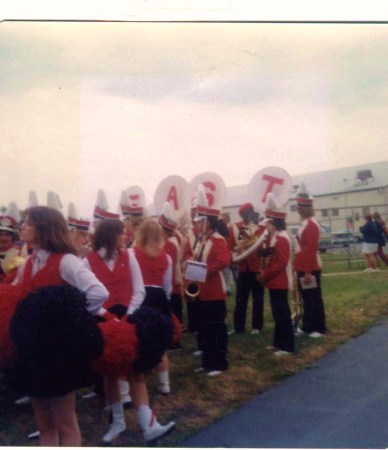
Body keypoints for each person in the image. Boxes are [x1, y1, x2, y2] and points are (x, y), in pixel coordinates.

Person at [11, 205, 109, 447]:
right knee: (44, 424)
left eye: (29, 223)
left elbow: (99, 293)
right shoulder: (28, 263)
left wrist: (68, 321)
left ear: (44, 228)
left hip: (57, 353)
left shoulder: (66, 262)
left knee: (65, 423)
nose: (23, 227)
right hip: (32, 352)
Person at [83, 218, 174, 445]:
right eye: (122, 233)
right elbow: (84, 295)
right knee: (110, 373)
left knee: (136, 370)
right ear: (110, 235)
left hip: (128, 316)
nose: (126, 236)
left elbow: (139, 290)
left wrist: (129, 314)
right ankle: (117, 422)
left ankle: (148, 424)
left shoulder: (129, 256)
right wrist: (106, 315)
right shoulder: (87, 262)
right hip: (103, 319)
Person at [191, 185, 230, 376]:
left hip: (214, 291)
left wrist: (204, 273)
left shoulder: (217, 239)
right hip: (202, 292)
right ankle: (207, 361)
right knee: (204, 329)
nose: (195, 225)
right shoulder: (201, 240)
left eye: (198, 221)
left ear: (207, 222)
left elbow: (224, 261)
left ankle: (219, 363)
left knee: (215, 328)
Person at [133, 218, 174, 393]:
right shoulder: (167, 257)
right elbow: (167, 285)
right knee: (161, 342)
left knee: (137, 340)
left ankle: (136, 380)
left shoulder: (131, 253)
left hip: (140, 297)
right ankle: (165, 385)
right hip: (159, 298)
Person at [257, 194, 295, 356]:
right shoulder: (276, 237)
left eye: (269, 224)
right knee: (277, 313)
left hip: (280, 281)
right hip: (274, 281)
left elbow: (281, 263)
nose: (267, 227)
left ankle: (287, 346)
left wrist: (265, 274)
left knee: (282, 314)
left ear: (274, 223)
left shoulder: (282, 239)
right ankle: (278, 343)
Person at [294, 181, 326, 338]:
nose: (297, 209)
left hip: (310, 266)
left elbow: (311, 249)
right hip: (304, 265)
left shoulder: (311, 225)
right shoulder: (306, 223)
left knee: (313, 298)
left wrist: (307, 271)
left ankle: (319, 328)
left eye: (299, 206)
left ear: (303, 208)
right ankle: (308, 326)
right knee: (307, 298)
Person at [228, 202, 267, 335]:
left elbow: (263, 246)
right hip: (243, 267)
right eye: (246, 212)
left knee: (258, 298)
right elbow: (230, 246)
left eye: (250, 211)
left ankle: (257, 326)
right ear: (242, 214)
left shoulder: (259, 227)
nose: (249, 214)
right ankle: (239, 326)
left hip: (256, 266)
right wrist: (236, 252)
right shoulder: (235, 227)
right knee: (240, 299)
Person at [0, 202, 28, 283]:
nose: (3, 238)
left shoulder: (21, 251)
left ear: (13, 237)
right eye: (0, 235)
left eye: (7, 235)